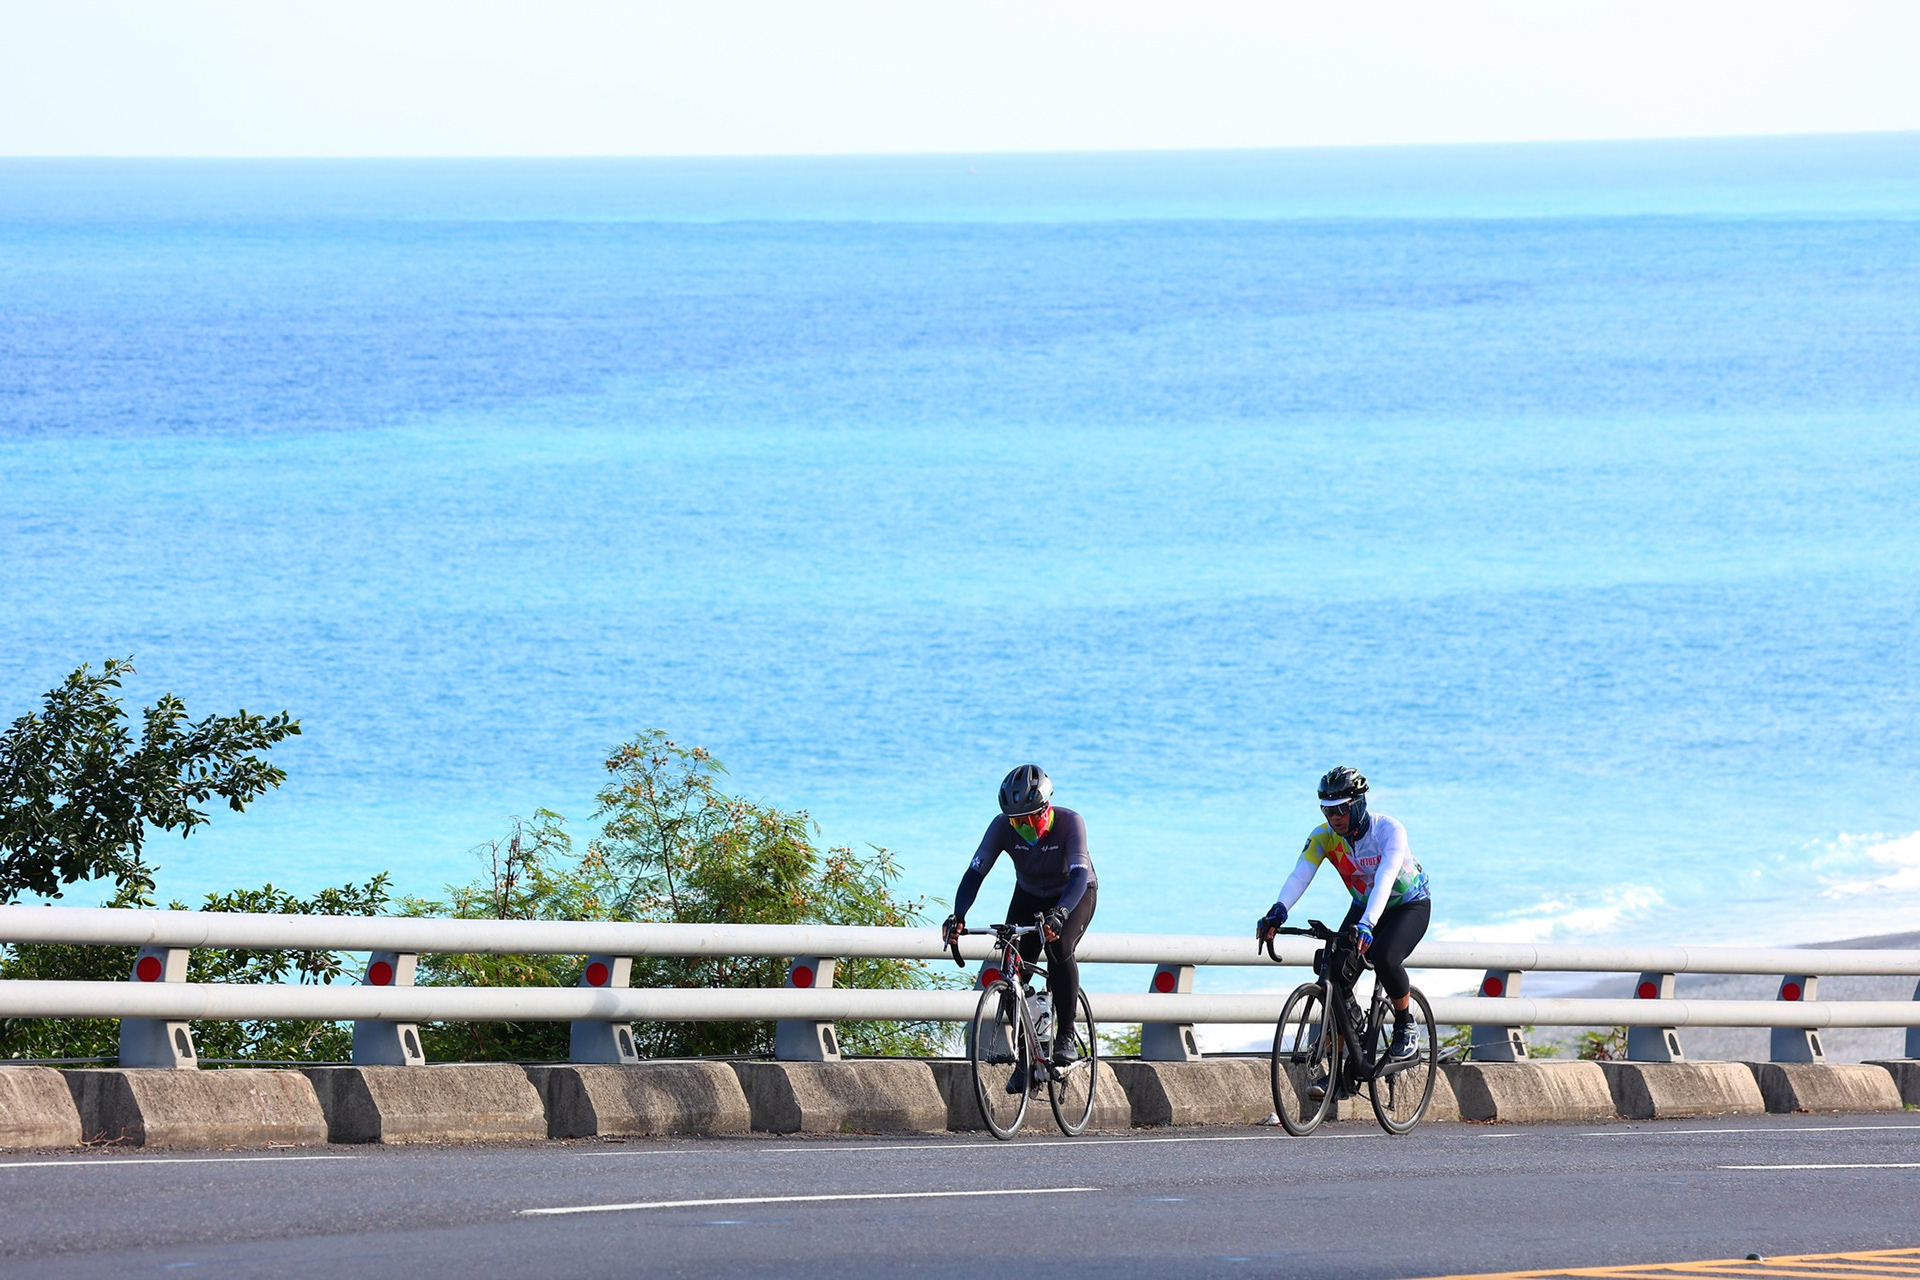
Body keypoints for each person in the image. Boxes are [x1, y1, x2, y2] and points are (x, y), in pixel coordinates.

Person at [1254, 766, 1431, 1082]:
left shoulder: (1389, 830)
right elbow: (1300, 874)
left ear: (1359, 804)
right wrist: (1279, 910)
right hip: (1363, 906)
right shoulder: (1323, 837)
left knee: (1384, 957)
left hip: (1408, 905)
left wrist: (1367, 924)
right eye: (1327, 810)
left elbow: (1385, 878)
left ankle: (1406, 1025)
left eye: (1342, 809)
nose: (1334, 817)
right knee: (1335, 975)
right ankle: (1340, 1071)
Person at [942, 764, 1098, 1090]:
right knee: (1011, 967)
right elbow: (975, 873)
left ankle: (1065, 1035)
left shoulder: (1070, 822)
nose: (1022, 826)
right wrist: (958, 915)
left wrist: (1060, 914)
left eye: (1029, 819)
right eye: (1016, 821)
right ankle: (1027, 1059)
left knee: (1058, 946)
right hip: (1029, 894)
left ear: (1045, 809)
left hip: (1073, 894)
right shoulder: (1002, 826)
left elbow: (1079, 875)